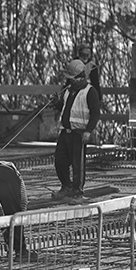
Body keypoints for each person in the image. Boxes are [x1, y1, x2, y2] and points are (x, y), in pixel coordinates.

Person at [52, 59, 100, 201]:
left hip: (79, 134)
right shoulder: (69, 91)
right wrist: (57, 103)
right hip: (65, 132)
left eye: (72, 78)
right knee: (60, 161)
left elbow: (95, 113)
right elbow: (66, 109)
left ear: (80, 77)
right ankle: (66, 187)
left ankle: (77, 192)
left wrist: (88, 130)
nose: (70, 81)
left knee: (77, 164)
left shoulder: (90, 92)